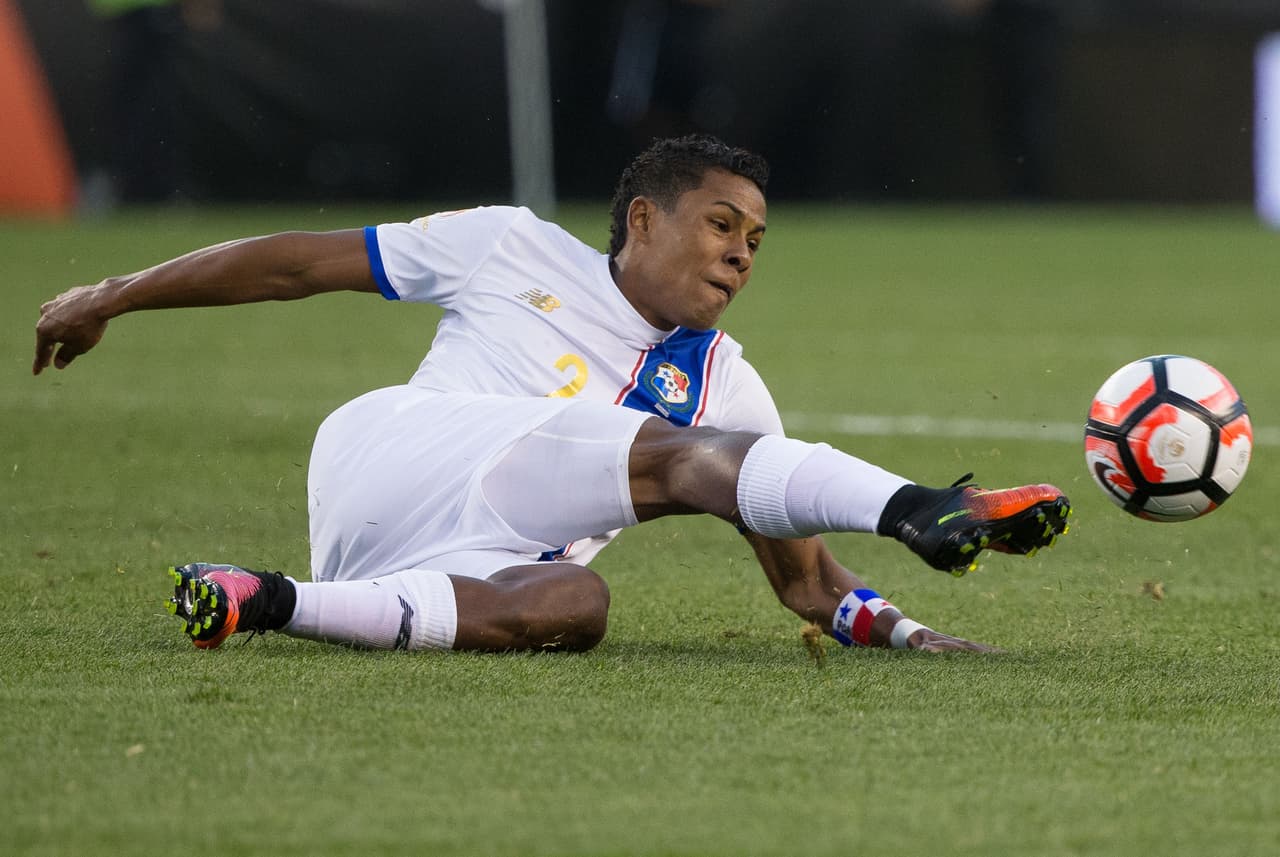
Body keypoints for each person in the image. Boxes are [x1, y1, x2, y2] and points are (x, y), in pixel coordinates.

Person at [32, 135, 1070, 655]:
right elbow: (297, 265)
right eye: (719, 224)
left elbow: (803, 582)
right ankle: (921, 507)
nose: (740, 253)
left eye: (755, 240)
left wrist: (901, 631)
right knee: (675, 450)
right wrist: (111, 294)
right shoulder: (507, 246)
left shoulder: (730, 386)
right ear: (641, 218)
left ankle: (272, 599)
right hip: (393, 450)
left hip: (432, 561)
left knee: (576, 603)